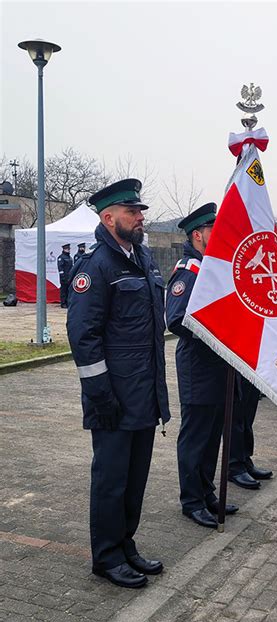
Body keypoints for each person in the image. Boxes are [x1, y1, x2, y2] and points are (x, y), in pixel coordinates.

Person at [67, 179, 170, 589]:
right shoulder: (97, 268)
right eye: (133, 212)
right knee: (111, 482)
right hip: (113, 400)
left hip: (142, 395)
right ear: (110, 218)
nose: (141, 217)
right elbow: (83, 337)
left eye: (140, 211)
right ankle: (106, 558)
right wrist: (102, 397)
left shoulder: (142, 259)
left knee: (135, 479)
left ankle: (126, 545)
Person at [165, 203, 239, 529]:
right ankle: (191, 500)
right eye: (213, 230)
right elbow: (176, 319)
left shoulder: (212, 267)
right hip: (199, 364)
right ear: (199, 234)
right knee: (196, 436)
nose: (219, 235)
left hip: (218, 365)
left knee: (212, 435)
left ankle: (206, 491)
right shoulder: (189, 270)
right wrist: (216, 332)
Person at [229, 378, 273, 490]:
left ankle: (245, 459)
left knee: (248, 414)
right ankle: (235, 466)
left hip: (252, 366)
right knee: (236, 416)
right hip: (238, 366)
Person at [57, 243, 73, 308]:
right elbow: (60, 267)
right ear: (64, 249)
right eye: (67, 249)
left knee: (68, 290)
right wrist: (62, 276)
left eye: (69, 249)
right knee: (63, 290)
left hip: (69, 276)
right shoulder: (61, 257)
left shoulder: (69, 257)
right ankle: (63, 303)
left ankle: (67, 302)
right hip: (64, 277)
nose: (68, 250)